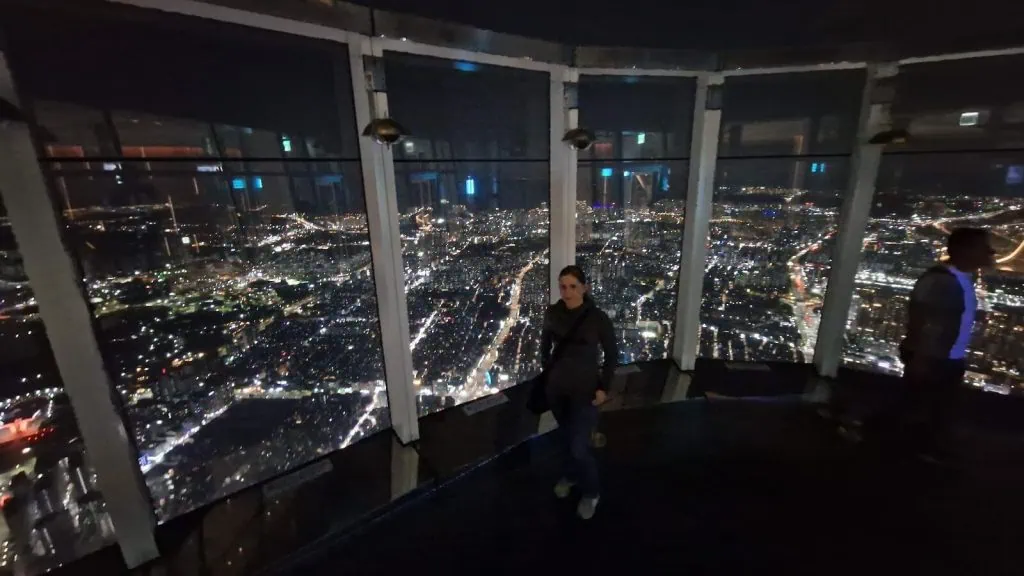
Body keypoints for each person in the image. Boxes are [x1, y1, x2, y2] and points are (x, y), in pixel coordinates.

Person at [897, 227, 995, 461]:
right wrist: (920, 359)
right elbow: (923, 321)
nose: (991, 252)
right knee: (926, 413)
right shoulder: (942, 281)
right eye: (983, 247)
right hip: (934, 360)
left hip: (944, 358)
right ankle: (911, 462)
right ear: (965, 250)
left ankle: (917, 457)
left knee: (934, 413)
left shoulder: (960, 279)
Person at [541, 265, 617, 520]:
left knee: (578, 448)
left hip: (585, 392)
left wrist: (603, 387)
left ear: (585, 287)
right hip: (557, 391)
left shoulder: (597, 318)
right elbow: (544, 348)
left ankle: (592, 493)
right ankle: (572, 476)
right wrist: (548, 376)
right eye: (563, 286)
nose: (567, 291)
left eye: (573, 286)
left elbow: (612, 356)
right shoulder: (553, 314)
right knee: (566, 438)